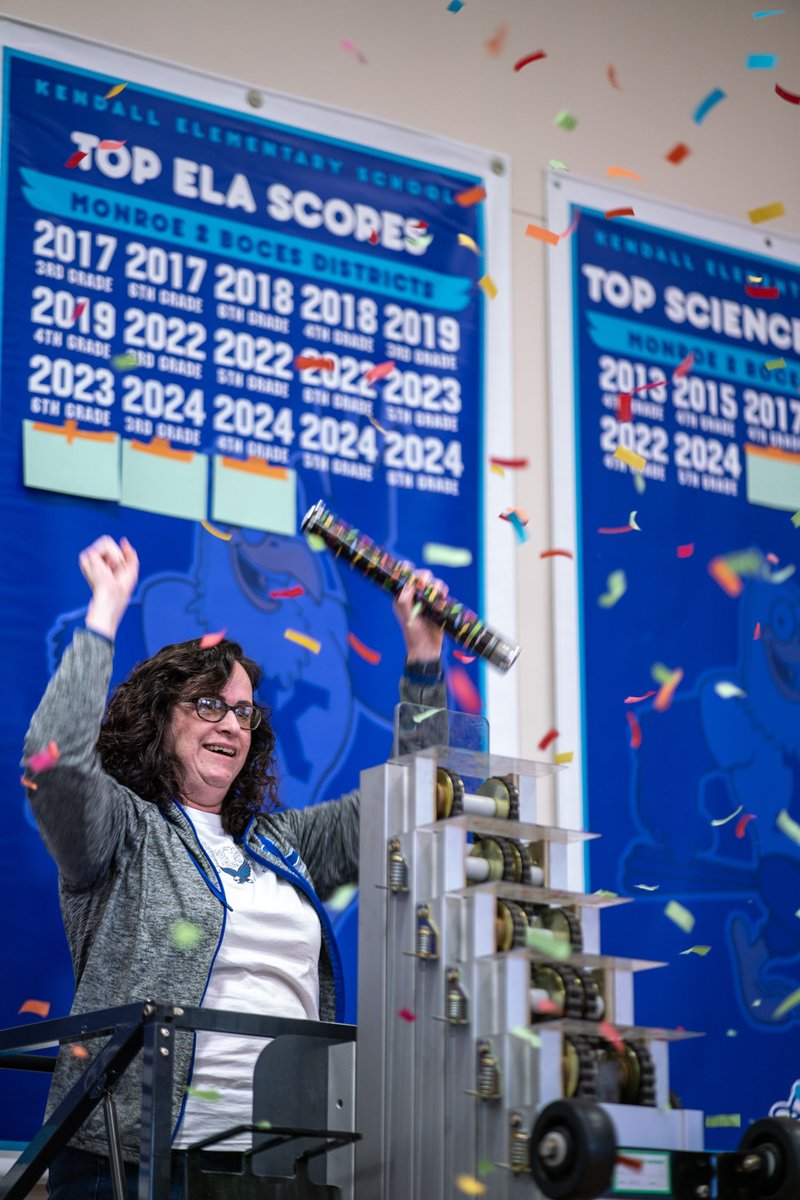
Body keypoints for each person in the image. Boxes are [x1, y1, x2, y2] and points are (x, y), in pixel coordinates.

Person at [24, 535, 447, 1199]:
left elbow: (409, 807)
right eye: (209, 704)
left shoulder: (283, 841)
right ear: (159, 720)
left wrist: (423, 659)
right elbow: (53, 766)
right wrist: (104, 611)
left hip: (292, 1164)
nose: (232, 724)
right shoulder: (123, 829)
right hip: (141, 1165)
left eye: (244, 711)